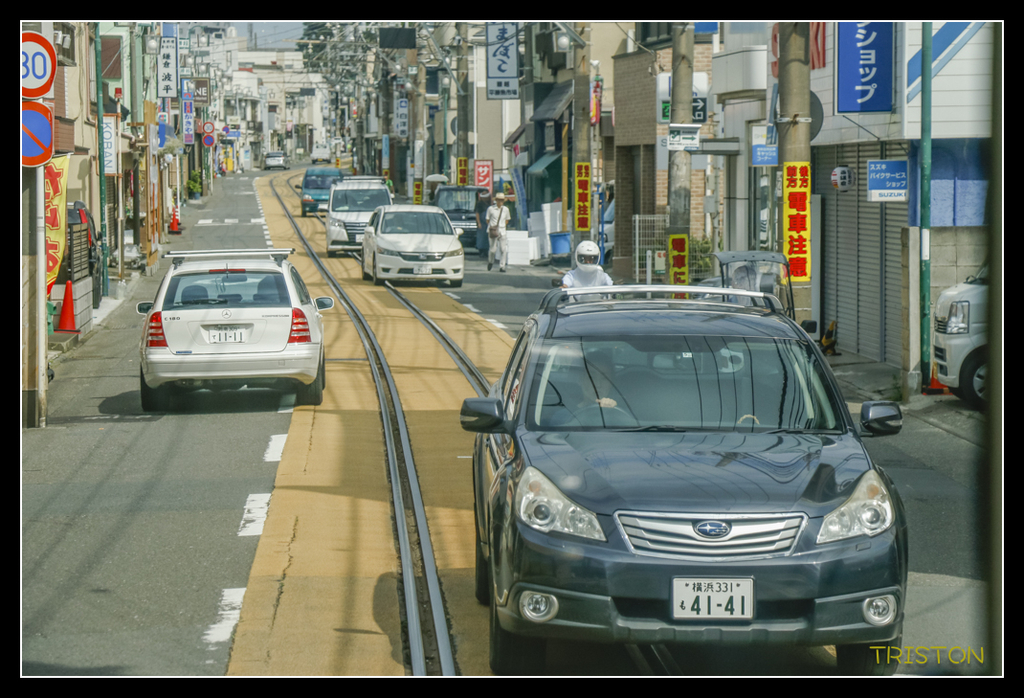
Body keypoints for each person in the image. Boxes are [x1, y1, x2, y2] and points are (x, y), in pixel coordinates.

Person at [485, 192, 511, 272]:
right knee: (493, 249)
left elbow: (507, 220)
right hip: (493, 230)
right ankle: (490, 262)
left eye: (502, 200)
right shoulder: (490, 209)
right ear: (496, 200)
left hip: (502, 230)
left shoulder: (506, 209)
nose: (500, 202)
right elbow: (487, 220)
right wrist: (493, 227)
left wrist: (502, 226)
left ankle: (502, 266)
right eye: (499, 200)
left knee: (503, 249)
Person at [474, 190, 491, 257]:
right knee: (481, 237)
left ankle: (486, 251)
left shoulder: (489, 203)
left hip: (488, 222)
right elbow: (477, 213)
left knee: (487, 237)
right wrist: (479, 223)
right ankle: (481, 251)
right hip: (482, 223)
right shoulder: (479, 203)